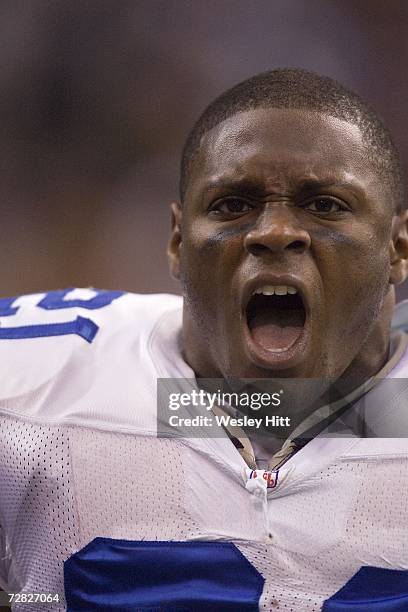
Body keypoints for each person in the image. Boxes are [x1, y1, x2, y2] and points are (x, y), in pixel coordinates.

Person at [1, 68, 408, 611]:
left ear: (397, 247)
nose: (275, 232)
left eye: (325, 204)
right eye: (233, 204)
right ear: (176, 241)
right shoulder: (33, 387)